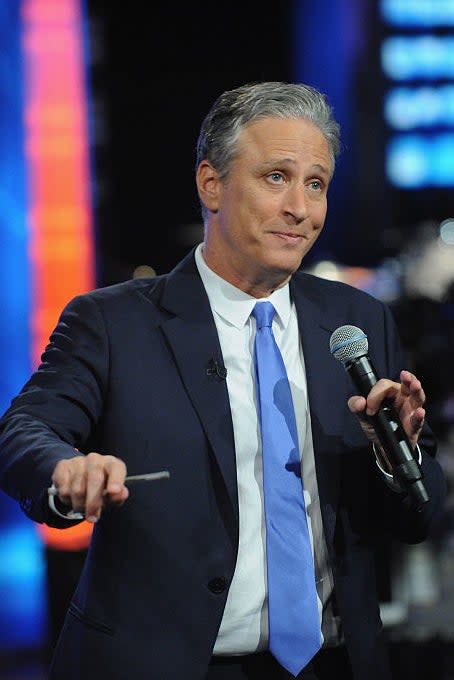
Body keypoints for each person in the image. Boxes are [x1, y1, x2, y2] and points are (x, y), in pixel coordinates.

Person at [0, 81, 446, 680]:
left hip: (336, 663)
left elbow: (418, 520)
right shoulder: (113, 322)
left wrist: (399, 453)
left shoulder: (357, 320)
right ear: (212, 184)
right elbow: (25, 429)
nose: (301, 208)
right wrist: (64, 470)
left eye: (316, 184)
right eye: (276, 177)